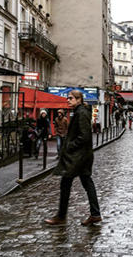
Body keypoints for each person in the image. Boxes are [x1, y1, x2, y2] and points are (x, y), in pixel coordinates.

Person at [45, 90, 102, 227]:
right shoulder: (80, 111)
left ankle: (61, 216)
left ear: (78, 99)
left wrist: (70, 145)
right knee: (86, 183)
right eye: (68, 98)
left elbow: (84, 136)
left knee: (67, 184)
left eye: (70, 98)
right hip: (82, 156)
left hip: (78, 157)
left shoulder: (81, 113)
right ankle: (94, 214)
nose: (68, 100)